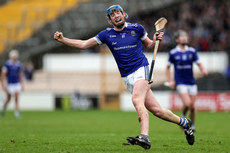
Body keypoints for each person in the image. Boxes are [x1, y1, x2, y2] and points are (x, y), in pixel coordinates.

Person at [54, 5, 195, 149]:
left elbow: (149, 46)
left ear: (124, 14)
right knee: (157, 111)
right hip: (127, 76)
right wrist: (63, 39)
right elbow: (84, 44)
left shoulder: (137, 28)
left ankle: (144, 137)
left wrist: (155, 40)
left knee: (136, 99)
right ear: (110, 20)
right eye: (112, 15)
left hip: (141, 68)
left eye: (118, 13)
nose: (116, 16)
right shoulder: (106, 34)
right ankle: (186, 123)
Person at [165, 30, 208, 132]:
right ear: (176, 39)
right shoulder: (173, 53)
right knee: (188, 104)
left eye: (185, 36)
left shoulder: (192, 51)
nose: (184, 38)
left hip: (191, 82)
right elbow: (167, 68)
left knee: (192, 106)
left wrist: (203, 69)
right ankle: (183, 117)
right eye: (182, 36)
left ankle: (191, 126)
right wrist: (170, 81)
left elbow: (199, 63)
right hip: (180, 82)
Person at [1, 49, 24, 118]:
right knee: (9, 99)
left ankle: (16, 113)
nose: (15, 57)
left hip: (16, 83)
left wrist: (22, 84)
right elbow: (3, 75)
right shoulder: (7, 64)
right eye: (14, 56)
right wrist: (3, 84)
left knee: (16, 98)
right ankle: (3, 109)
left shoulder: (19, 64)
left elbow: (20, 75)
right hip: (10, 84)